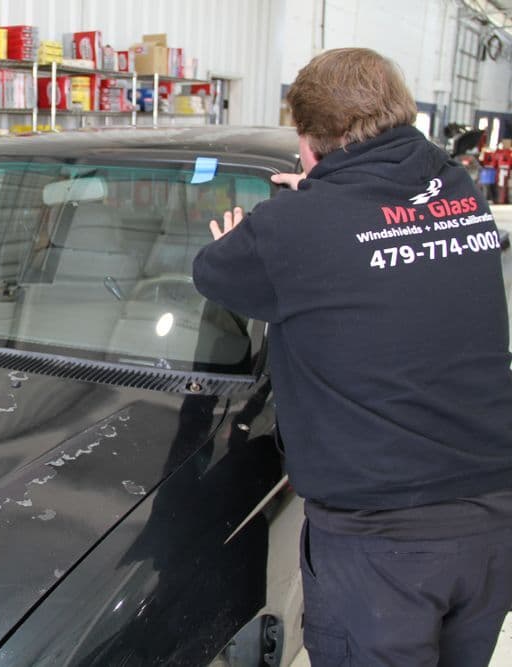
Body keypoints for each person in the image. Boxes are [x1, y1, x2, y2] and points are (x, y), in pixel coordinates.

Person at [193, 48, 512, 667]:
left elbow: (215, 272)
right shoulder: (456, 185)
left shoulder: (292, 228)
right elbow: (377, 221)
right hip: (493, 517)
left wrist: (267, 224)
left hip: (383, 545)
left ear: (311, 141)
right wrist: (317, 194)